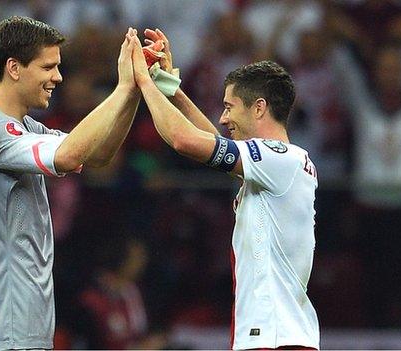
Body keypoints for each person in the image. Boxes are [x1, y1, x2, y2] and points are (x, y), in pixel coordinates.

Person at [0, 17, 140, 350]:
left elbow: (98, 155)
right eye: (48, 67)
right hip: (1, 319)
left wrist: (134, 91)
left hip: (26, 317)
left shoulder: (26, 129)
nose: (58, 77)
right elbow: (66, 157)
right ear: (14, 67)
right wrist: (121, 88)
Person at [129, 29, 319, 349]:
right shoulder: (275, 166)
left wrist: (143, 83)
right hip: (279, 333)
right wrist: (170, 89)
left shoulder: (278, 158)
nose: (223, 117)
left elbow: (184, 140)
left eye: (230, 107)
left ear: (258, 108)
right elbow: (217, 144)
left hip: (272, 338)